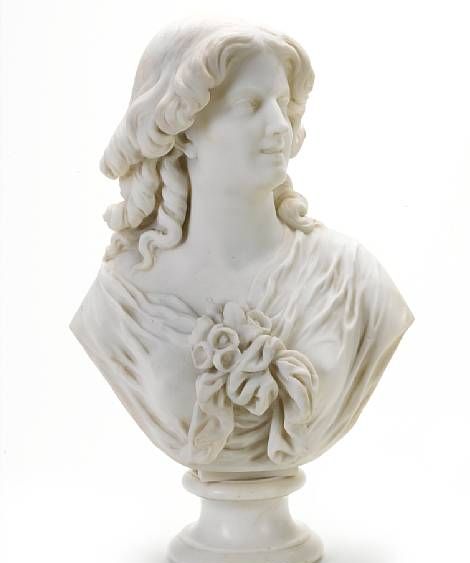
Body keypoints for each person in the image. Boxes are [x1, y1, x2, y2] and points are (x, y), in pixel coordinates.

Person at [71, 19, 414, 476]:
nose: (279, 126)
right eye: (249, 104)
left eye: (283, 104)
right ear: (184, 130)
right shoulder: (120, 301)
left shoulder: (353, 280)